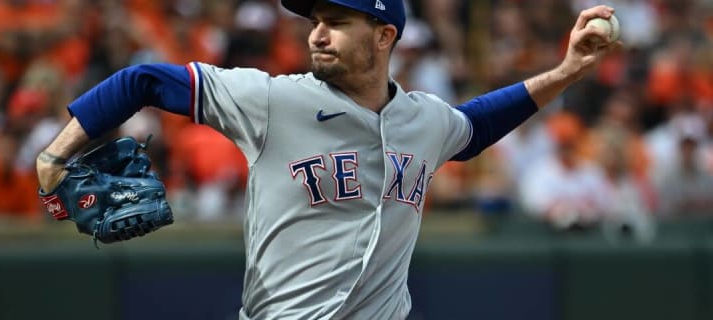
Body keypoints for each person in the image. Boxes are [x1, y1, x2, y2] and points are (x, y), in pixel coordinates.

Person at [35, 1, 621, 318]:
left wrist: (568, 72)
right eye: (315, 21)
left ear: (385, 35)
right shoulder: (271, 100)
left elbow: (476, 125)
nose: (318, 34)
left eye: (337, 22)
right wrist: (59, 152)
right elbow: (142, 80)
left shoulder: (425, 120)